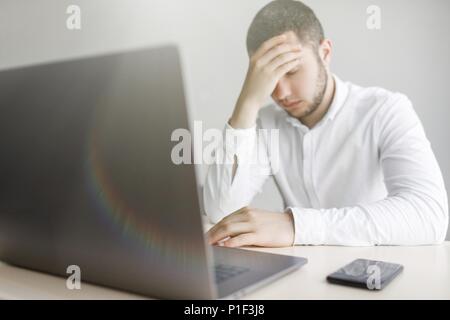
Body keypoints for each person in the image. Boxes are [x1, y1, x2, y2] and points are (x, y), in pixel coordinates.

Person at [203, 0, 448, 247]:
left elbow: (429, 215)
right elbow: (220, 211)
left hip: (374, 273)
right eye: (269, 77)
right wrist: (247, 102)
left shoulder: (385, 110)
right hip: (301, 276)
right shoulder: (266, 122)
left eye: (291, 71)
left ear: (325, 53)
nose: (281, 93)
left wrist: (295, 225)